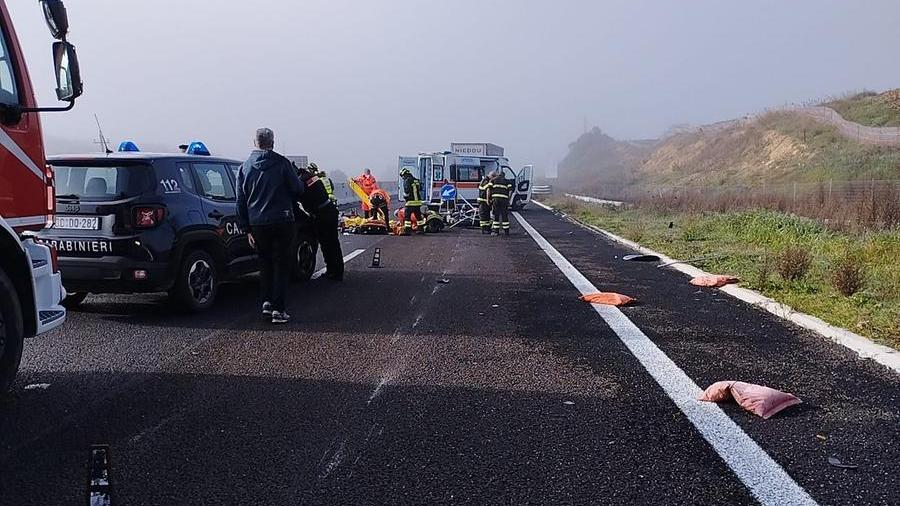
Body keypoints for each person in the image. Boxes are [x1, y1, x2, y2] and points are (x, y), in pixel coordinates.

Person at [236, 128, 305, 324]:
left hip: (257, 223)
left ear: (255, 142)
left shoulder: (244, 168)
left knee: (264, 263)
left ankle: (266, 303)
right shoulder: (282, 163)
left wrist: (246, 228)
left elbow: (240, 201)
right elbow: (297, 189)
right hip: (282, 220)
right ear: (272, 142)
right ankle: (279, 309)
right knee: (281, 264)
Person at [296, 163, 345, 281]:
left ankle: (334, 272)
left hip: (323, 214)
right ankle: (335, 271)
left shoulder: (302, 180)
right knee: (331, 243)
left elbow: (298, 194)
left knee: (328, 244)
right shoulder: (310, 177)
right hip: (328, 211)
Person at [400, 168, 425, 235]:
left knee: (407, 216)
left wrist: (405, 197)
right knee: (418, 216)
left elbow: (407, 191)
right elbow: (420, 188)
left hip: (410, 202)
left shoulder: (407, 180)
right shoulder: (416, 180)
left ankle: (407, 230)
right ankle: (421, 229)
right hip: (418, 202)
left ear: (403, 175)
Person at [489, 171, 511, 236]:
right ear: (504, 176)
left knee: (496, 215)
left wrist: (489, 199)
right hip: (504, 200)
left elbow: (489, 190)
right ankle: (506, 232)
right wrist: (508, 200)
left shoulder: (493, 180)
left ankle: (496, 232)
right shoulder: (507, 181)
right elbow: (510, 191)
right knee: (505, 215)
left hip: (495, 200)